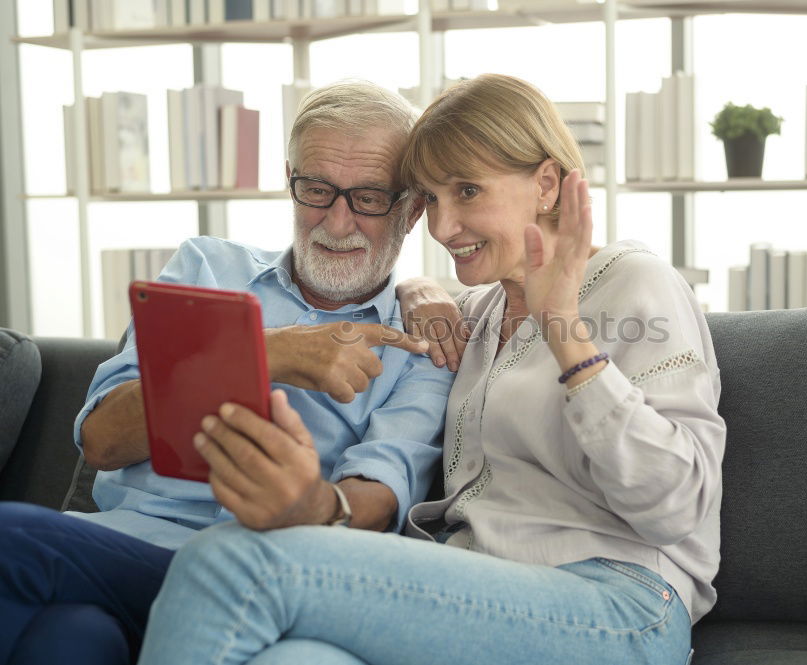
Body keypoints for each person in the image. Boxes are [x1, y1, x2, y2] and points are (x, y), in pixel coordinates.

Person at [136, 73, 726, 665]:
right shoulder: (477, 311)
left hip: (620, 604)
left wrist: (566, 334)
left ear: (546, 184)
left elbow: (675, 506)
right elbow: (419, 296)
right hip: (475, 595)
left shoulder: (635, 282)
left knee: (232, 561)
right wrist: (418, 289)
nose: (442, 228)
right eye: (433, 200)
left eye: (467, 192)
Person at [0, 81, 457, 665]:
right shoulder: (206, 268)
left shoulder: (423, 342)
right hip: (121, 543)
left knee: (13, 535)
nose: (338, 223)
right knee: (68, 642)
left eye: (369, 197)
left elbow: (378, 500)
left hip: (253, 569)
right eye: (316, 190)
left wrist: (309, 503)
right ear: (289, 178)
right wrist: (272, 352)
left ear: (413, 208)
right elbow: (102, 440)